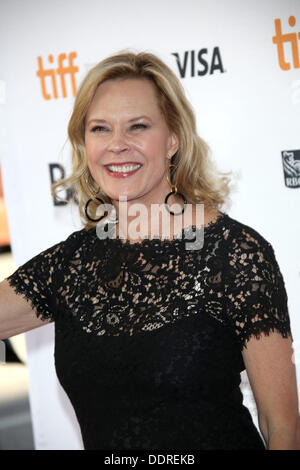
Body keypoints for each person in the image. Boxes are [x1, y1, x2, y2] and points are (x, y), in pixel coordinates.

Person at [0, 50, 299, 450]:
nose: (117, 145)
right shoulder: (71, 264)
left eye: (137, 126)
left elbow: (282, 427)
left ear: (173, 138)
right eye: (100, 129)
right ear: (84, 144)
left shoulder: (234, 254)